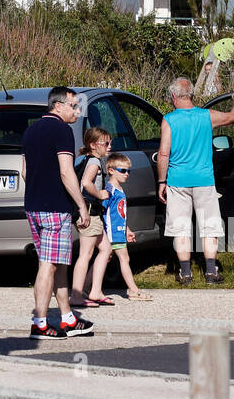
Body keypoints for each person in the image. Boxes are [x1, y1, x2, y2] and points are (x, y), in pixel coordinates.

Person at [21, 86, 94, 338]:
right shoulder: (62, 130)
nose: (77, 111)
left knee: (59, 263)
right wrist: (82, 205)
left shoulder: (31, 130)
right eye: (73, 106)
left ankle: (67, 318)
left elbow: (24, 172)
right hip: (55, 207)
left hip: (33, 205)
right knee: (48, 265)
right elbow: (66, 171)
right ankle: (40, 323)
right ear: (58, 106)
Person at [156, 78, 234, 285]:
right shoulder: (207, 116)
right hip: (204, 180)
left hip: (178, 181)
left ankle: (185, 273)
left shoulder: (169, 120)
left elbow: (163, 154)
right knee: (209, 227)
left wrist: (162, 181)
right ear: (192, 95)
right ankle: (211, 272)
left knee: (181, 228)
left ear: (173, 96)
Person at [70, 127, 114, 307]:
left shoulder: (83, 158)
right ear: (93, 145)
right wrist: (100, 194)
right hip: (89, 212)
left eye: (110, 142)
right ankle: (77, 295)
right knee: (85, 255)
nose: (109, 146)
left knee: (106, 250)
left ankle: (95, 290)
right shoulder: (94, 162)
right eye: (106, 143)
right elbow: (86, 183)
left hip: (90, 213)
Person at [102, 153, 151, 301]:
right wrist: (104, 232)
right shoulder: (109, 190)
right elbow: (103, 213)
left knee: (105, 259)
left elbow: (120, 214)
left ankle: (85, 287)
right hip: (111, 232)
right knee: (122, 258)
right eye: (123, 170)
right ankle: (133, 290)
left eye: (129, 171)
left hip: (119, 231)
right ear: (111, 170)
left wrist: (127, 229)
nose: (127, 174)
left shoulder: (120, 190)